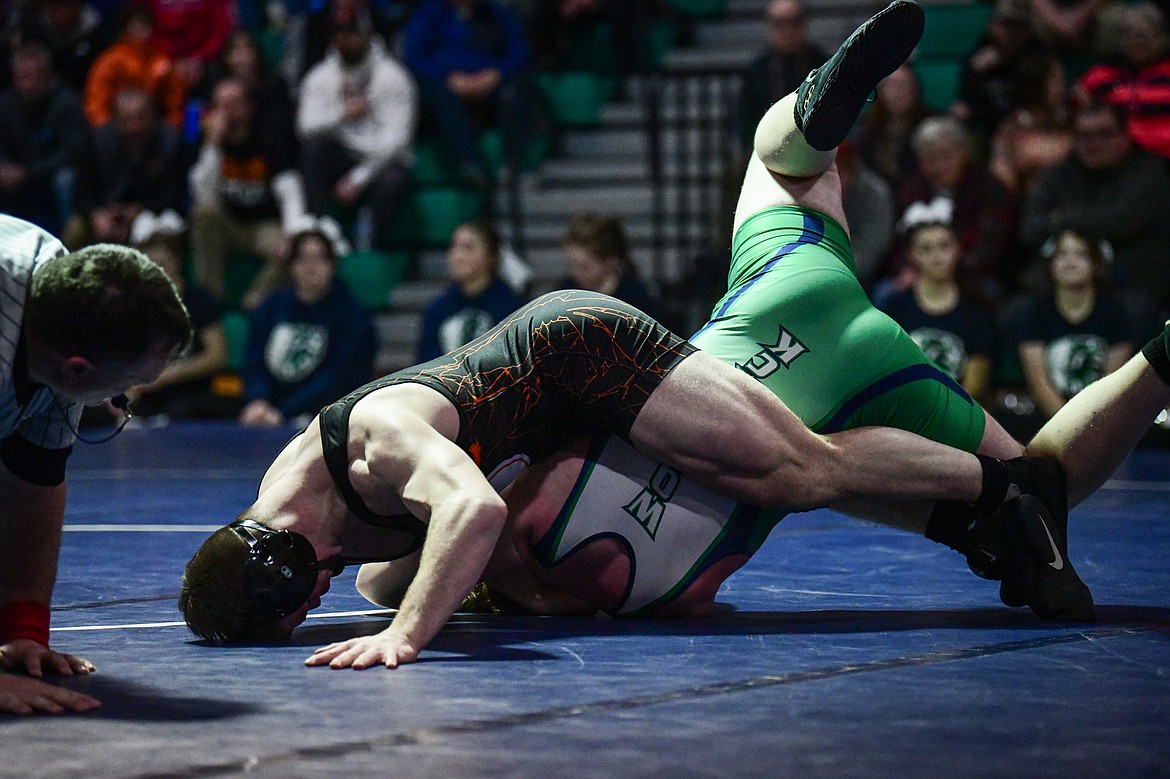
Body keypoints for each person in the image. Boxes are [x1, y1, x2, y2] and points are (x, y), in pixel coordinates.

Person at [1, 214, 192, 714]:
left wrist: (24, 630)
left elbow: (35, 482)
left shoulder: (61, 310)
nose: (122, 399)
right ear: (79, 370)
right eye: (122, 389)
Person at [1019, 100, 1170, 335]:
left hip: (1129, 284)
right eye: (1083, 135)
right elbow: (1030, 229)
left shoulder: (1150, 171)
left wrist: (1062, 217)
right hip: (1061, 287)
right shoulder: (1058, 174)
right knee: (1017, 312)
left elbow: (1124, 219)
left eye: (1104, 134)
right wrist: (1095, 221)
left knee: (1132, 312)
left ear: (1125, 135)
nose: (1093, 144)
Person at [296, 8, 417, 253]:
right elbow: (306, 127)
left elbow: (398, 141)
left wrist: (359, 178)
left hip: (381, 162)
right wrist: (342, 116)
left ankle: (369, 237)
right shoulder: (321, 77)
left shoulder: (393, 77)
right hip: (343, 154)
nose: (345, 39)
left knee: (395, 176)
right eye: (339, 34)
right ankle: (318, 228)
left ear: (367, 34)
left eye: (352, 33)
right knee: (313, 149)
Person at [188, 76, 309, 310]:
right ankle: (209, 304)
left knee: (295, 246)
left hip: (264, 226)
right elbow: (202, 194)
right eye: (221, 105)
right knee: (204, 213)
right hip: (228, 224)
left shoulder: (269, 136)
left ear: (249, 108)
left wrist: (293, 234)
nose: (228, 112)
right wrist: (213, 144)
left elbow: (290, 189)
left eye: (234, 104)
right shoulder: (208, 141)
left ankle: (254, 305)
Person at [238, 225, 376, 428]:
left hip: (327, 416)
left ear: (332, 264)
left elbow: (337, 376)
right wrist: (258, 401)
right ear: (291, 265)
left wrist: (284, 412)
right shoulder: (270, 308)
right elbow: (254, 361)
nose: (311, 267)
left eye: (319, 258)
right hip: (269, 412)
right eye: (302, 258)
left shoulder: (352, 316)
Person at [402, 0, 536, 184]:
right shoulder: (429, 13)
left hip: (490, 82)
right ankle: (470, 165)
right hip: (448, 84)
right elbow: (414, 56)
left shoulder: (495, 13)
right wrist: (447, 77)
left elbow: (520, 51)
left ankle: (515, 164)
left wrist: (497, 73)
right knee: (440, 98)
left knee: (513, 92)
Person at [1016, 228, 1135, 422]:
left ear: (1097, 264)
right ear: (1051, 264)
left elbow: (1112, 383)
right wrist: (1066, 426)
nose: (1070, 262)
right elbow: (1038, 383)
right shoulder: (1034, 310)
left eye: (1081, 254)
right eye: (1062, 254)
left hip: (1102, 421)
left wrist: (1090, 427)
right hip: (1048, 423)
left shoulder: (1115, 311)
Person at [878, 209, 995, 404]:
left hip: (960, 416)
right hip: (906, 411)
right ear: (911, 254)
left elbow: (975, 385)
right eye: (926, 249)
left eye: (944, 246)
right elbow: (885, 371)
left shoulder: (977, 309)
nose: (936, 256)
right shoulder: (894, 306)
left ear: (958, 249)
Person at [127, 225, 231, 421]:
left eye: (162, 263)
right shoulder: (136, 307)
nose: (155, 270)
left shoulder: (199, 300)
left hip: (194, 394)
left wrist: (168, 375)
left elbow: (217, 355)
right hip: (150, 398)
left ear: (175, 262)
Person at [63, 86, 187, 249]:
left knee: (156, 235)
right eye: (126, 120)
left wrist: (137, 211)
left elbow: (174, 195)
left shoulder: (169, 143)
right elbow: (82, 193)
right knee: (74, 229)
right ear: (115, 120)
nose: (133, 127)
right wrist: (96, 215)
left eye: (140, 118)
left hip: (151, 215)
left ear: (153, 116)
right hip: (105, 213)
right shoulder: (97, 142)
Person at [0, 42, 89, 235]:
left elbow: (73, 151)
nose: (30, 83)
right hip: (14, 179)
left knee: (65, 178)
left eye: (36, 76)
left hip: (51, 178)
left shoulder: (66, 103)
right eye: (24, 77)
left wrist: (28, 172)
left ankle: (70, 234)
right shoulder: (5, 105)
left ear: (49, 75)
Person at [417, 219, 522, 361]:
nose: (457, 256)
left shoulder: (512, 309)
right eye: (454, 247)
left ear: (492, 256)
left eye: (468, 247)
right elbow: (424, 364)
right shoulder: (437, 309)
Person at [1077, 2, 1170, 160]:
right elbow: (1079, 115)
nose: (1136, 40)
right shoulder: (1100, 76)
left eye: (1144, 34)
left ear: (1161, 37)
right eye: (1129, 34)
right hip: (1112, 162)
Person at [734, 0, 828, 152]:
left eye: (793, 22)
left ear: (803, 24)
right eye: (780, 23)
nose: (787, 30)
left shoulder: (823, 66)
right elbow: (744, 122)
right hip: (769, 151)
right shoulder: (757, 71)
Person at [81, 4, 189, 131]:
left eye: (144, 24)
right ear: (125, 28)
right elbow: (96, 99)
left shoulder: (161, 60)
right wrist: (104, 129)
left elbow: (175, 98)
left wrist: (173, 124)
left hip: (152, 129)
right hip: (118, 128)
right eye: (135, 24)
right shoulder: (110, 60)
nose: (140, 29)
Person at [556, 212, 659, 319]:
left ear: (611, 260)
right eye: (571, 265)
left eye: (585, 266)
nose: (576, 273)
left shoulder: (635, 297)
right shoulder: (565, 293)